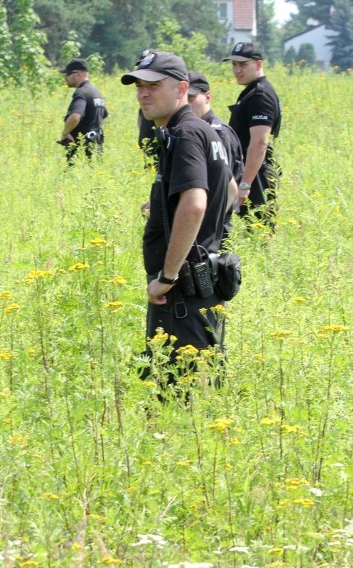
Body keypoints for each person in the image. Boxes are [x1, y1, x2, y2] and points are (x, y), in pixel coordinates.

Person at [121, 52, 236, 383]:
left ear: (181, 88)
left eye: (154, 86)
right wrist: (207, 239)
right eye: (139, 86)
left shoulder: (184, 134)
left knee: (174, 398)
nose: (143, 93)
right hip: (203, 283)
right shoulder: (202, 130)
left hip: (181, 292)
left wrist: (169, 275)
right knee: (203, 387)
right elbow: (226, 188)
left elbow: (196, 203)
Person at [223, 42, 282, 225]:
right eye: (234, 64)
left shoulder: (260, 96)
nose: (237, 70)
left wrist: (245, 185)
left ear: (258, 64)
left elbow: (259, 142)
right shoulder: (251, 92)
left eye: (243, 65)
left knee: (260, 233)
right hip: (249, 172)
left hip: (256, 176)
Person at [187, 71, 244, 238]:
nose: (187, 104)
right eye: (183, 99)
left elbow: (227, 188)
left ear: (207, 97)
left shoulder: (217, 134)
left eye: (191, 98)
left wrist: (208, 222)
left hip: (212, 229)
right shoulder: (193, 131)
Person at [57, 58, 108, 165]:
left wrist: (65, 133)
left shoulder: (81, 92)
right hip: (96, 146)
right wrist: (93, 129)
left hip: (81, 149)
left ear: (77, 74)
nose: (65, 78)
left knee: (74, 178)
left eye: (67, 74)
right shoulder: (95, 92)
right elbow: (105, 116)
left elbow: (75, 117)